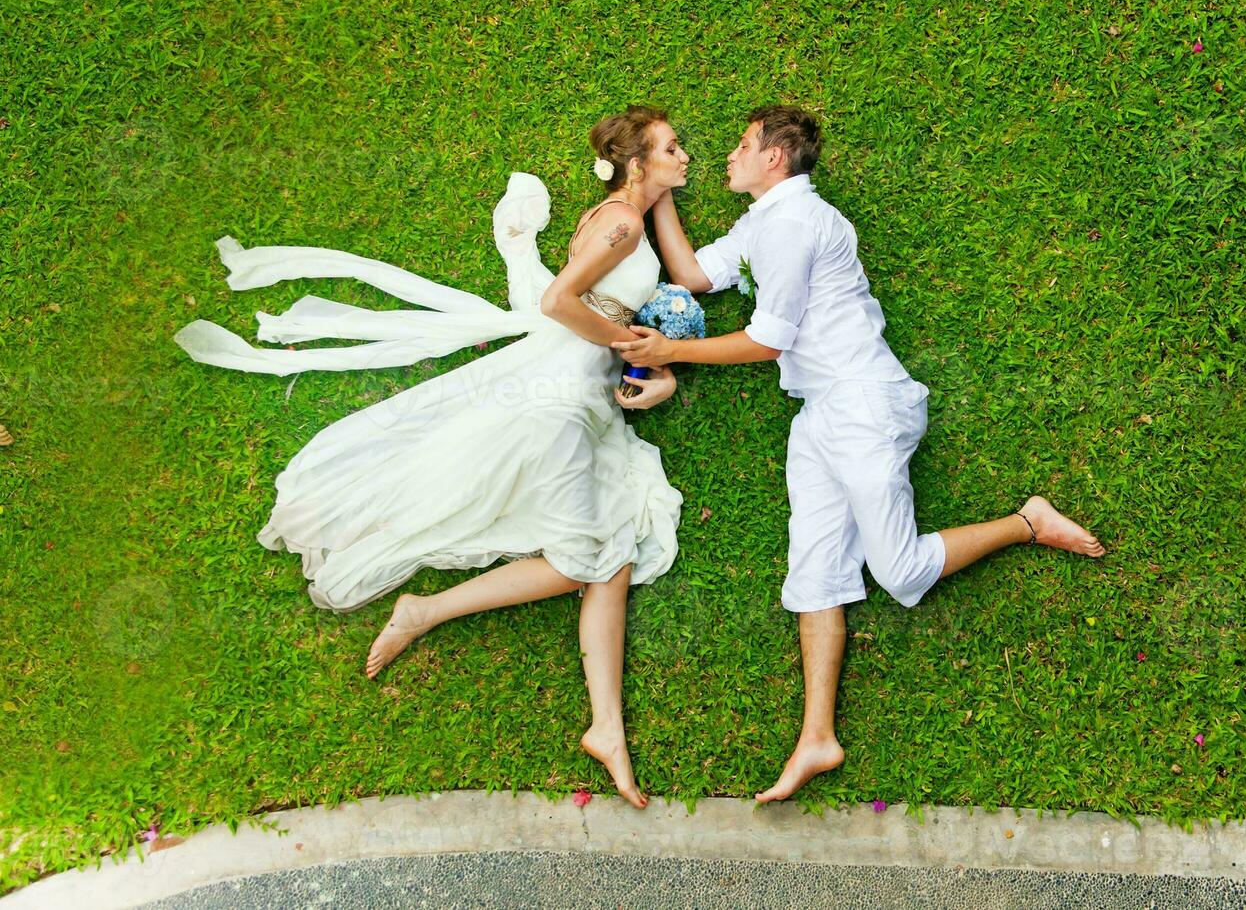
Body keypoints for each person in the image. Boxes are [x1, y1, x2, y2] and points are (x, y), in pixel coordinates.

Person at [174, 106, 693, 807]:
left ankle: (607, 729)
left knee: (617, 549)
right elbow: (557, 300)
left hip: (586, 398)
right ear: (637, 162)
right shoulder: (620, 224)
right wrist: (627, 342)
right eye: (670, 148)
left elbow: (684, 280)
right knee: (582, 561)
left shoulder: (629, 215)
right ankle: (426, 610)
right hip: (564, 399)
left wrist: (655, 343)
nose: (685, 155)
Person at [615, 106, 1107, 802]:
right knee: (815, 573)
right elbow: (694, 275)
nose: (729, 154)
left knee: (900, 572)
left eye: (743, 145)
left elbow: (768, 341)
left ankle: (1027, 521)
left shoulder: (795, 224)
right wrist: (661, 198)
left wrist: (672, 351)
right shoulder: (766, 221)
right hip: (822, 415)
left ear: (775, 159)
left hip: (865, 405)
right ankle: (818, 736)